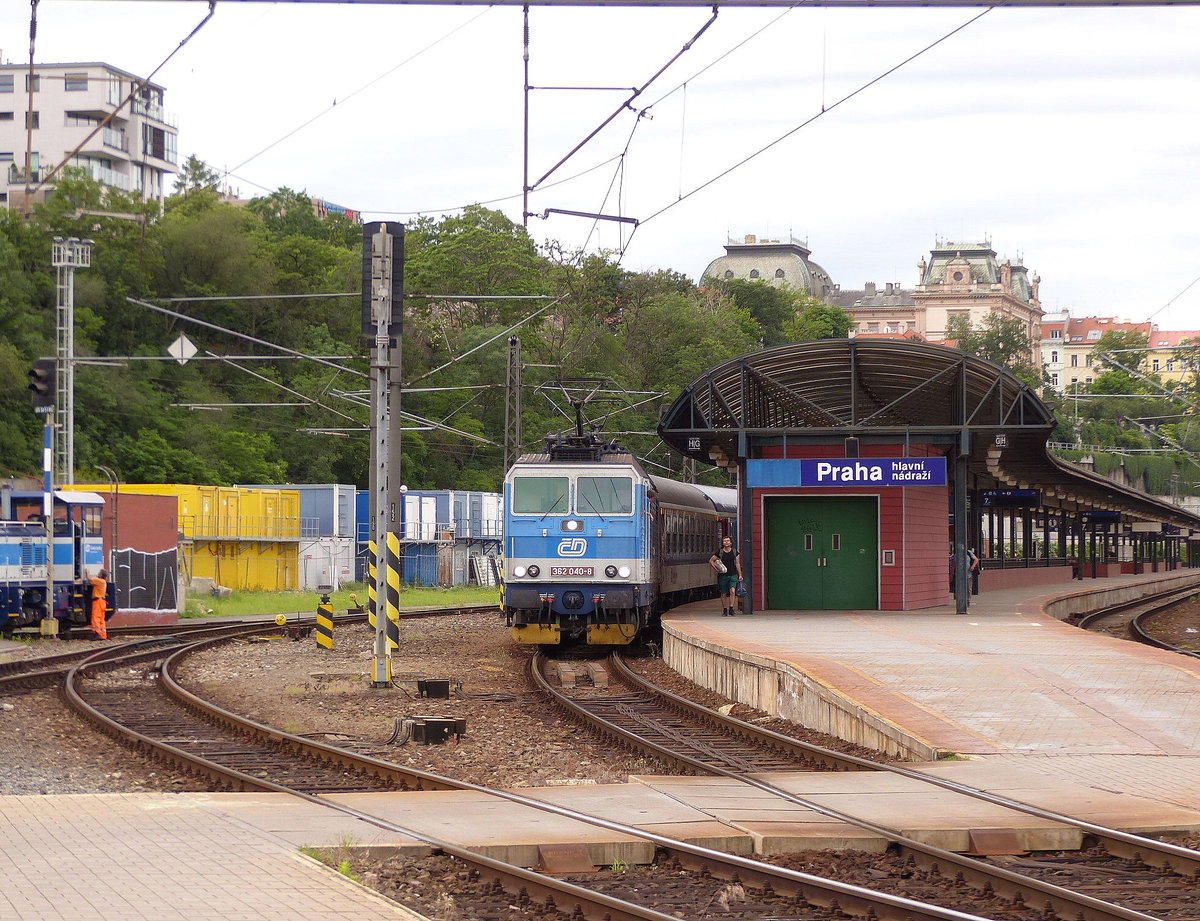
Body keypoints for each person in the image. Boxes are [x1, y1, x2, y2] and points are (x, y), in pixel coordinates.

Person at [709, 536, 744, 617]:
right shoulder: (719, 552)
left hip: (733, 574)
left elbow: (737, 563)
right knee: (723, 593)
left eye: (728, 541)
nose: (726, 542)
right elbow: (711, 560)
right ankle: (725, 609)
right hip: (723, 575)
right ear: (722, 543)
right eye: (724, 541)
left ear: (731, 542)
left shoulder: (735, 552)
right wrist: (716, 569)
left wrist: (740, 574)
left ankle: (731, 608)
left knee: (732, 591)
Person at [90, 569, 109, 640]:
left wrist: (87, 573)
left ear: (101, 575)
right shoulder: (103, 582)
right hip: (102, 602)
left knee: (96, 618)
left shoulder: (99, 581)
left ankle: (97, 633)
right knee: (101, 619)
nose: (98, 574)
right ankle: (103, 635)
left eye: (99, 573)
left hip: (97, 602)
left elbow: (90, 579)